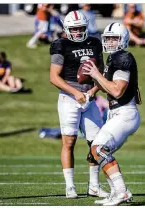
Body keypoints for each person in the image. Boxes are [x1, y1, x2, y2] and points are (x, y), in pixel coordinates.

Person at [49, 10, 108, 199]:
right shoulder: (60, 45)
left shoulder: (94, 42)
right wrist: (75, 92)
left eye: (81, 28)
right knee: (69, 142)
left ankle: (94, 186)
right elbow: (53, 77)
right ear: (67, 28)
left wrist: (92, 92)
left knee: (97, 143)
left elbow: (102, 73)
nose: (77, 32)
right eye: (74, 28)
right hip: (69, 98)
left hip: (89, 98)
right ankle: (70, 186)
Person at [82, 22, 141, 206]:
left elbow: (117, 91)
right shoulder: (114, 58)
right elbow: (108, 83)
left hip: (125, 113)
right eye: (108, 38)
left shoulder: (122, 57)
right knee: (98, 153)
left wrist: (95, 73)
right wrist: (91, 93)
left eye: (114, 38)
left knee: (99, 149)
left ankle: (121, 192)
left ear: (123, 39)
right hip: (117, 113)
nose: (110, 42)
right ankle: (116, 191)